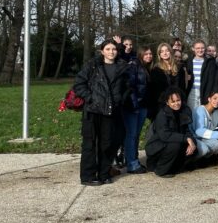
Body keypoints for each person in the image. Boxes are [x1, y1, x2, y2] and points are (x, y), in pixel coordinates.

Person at [74, 39, 130, 185]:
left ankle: (104, 173)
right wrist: (90, 98)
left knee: (107, 144)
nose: (111, 52)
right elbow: (79, 84)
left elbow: (127, 87)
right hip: (92, 111)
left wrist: (120, 99)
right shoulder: (92, 66)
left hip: (111, 111)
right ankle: (88, 176)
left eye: (114, 49)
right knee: (90, 144)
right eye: (108, 49)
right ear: (102, 51)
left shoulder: (122, 67)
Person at [145, 87, 197, 177]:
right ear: (167, 102)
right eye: (173, 101)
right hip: (157, 146)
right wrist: (186, 138)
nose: (176, 103)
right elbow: (165, 135)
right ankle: (160, 170)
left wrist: (191, 142)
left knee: (193, 145)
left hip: (171, 144)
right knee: (175, 145)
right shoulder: (162, 115)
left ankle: (174, 168)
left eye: (178, 100)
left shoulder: (184, 111)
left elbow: (187, 130)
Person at [121, 46, 150, 174]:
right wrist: (134, 104)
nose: (149, 56)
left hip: (142, 105)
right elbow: (130, 86)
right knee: (131, 134)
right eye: (146, 54)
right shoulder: (133, 65)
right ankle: (131, 164)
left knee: (136, 134)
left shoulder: (145, 67)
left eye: (150, 54)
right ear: (140, 54)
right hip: (133, 106)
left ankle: (134, 160)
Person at [192, 91, 218, 165]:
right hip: (193, 137)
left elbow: (212, 129)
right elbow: (199, 131)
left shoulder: (214, 113)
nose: (217, 101)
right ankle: (190, 162)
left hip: (202, 138)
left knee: (217, 144)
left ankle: (204, 160)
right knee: (204, 149)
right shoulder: (200, 110)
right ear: (209, 99)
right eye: (215, 98)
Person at [147, 43, 186, 120]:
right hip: (162, 105)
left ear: (170, 52)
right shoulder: (156, 69)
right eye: (162, 51)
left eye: (167, 50)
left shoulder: (179, 68)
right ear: (159, 54)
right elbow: (154, 91)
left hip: (177, 104)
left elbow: (182, 87)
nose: (164, 53)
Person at [185, 40, 209, 111]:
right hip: (192, 92)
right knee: (192, 112)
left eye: (202, 48)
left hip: (204, 92)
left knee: (203, 113)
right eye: (198, 48)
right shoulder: (188, 61)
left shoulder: (208, 62)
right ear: (193, 49)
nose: (200, 50)